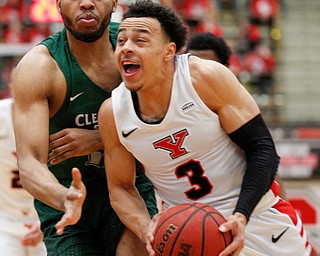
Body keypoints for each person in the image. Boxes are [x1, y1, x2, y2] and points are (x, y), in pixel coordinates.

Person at [98, 1, 312, 255]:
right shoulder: (113, 112)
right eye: (121, 41)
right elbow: (121, 187)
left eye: (140, 41)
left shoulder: (203, 77)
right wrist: (146, 227)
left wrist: (241, 215)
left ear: (169, 51)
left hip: (255, 218)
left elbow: (262, 148)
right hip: (185, 234)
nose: (126, 48)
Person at [12, 0, 157, 255]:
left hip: (128, 185)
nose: (87, 2)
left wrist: (101, 137)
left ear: (113, 3)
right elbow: (30, 163)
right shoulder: (39, 67)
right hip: (67, 198)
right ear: (58, 5)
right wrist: (64, 198)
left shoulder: (134, 48)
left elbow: (168, 118)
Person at [186, 32, 287, 200]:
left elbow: (264, 158)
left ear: (224, 68)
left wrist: (284, 205)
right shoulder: (174, 102)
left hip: (236, 198)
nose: (199, 69)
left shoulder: (235, 107)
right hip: (193, 199)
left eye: (207, 63)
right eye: (193, 62)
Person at [0, 69, 46, 256]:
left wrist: (47, 219)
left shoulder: (53, 118)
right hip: (5, 222)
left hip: (44, 220)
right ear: (11, 87)